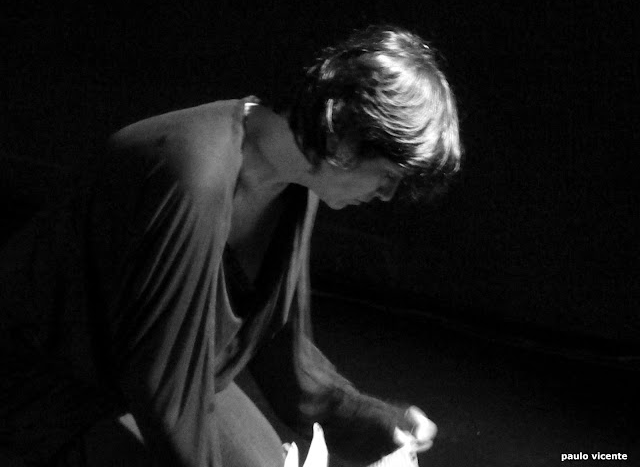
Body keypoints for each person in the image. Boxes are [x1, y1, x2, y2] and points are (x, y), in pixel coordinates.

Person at [0, 25, 461, 466]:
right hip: (52, 392)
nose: (387, 195)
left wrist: (372, 422)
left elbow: (279, 347)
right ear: (348, 138)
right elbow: (162, 386)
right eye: (388, 176)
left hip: (160, 380)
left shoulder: (294, 187)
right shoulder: (190, 174)